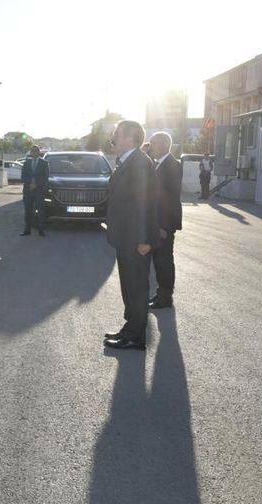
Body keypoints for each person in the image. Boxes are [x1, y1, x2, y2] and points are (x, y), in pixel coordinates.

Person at [104, 120, 159, 351]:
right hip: (125, 237)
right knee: (129, 286)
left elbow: (147, 203)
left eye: (116, 134)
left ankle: (136, 336)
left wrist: (146, 239)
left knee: (136, 287)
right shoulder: (126, 162)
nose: (113, 138)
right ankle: (130, 328)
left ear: (129, 139)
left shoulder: (140, 163)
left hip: (137, 239)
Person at [148, 132, 182, 309]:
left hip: (164, 224)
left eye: (153, 143)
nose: (150, 146)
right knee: (160, 261)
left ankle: (166, 297)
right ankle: (161, 293)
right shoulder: (159, 164)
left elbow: (170, 199)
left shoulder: (171, 165)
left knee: (164, 260)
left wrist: (163, 226)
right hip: (158, 222)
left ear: (161, 144)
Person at [19, 145, 49, 237]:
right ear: (30, 153)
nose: (34, 153)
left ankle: (41, 230)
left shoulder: (44, 163)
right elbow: (23, 176)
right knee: (28, 211)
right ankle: (27, 230)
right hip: (28, 191)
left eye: (36, 151)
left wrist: (36, 184)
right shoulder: (26, 163)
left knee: (40, 211)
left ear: (39, 152)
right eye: (32, 151)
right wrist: (30, 183)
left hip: (39, 191)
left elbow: (45, 177)